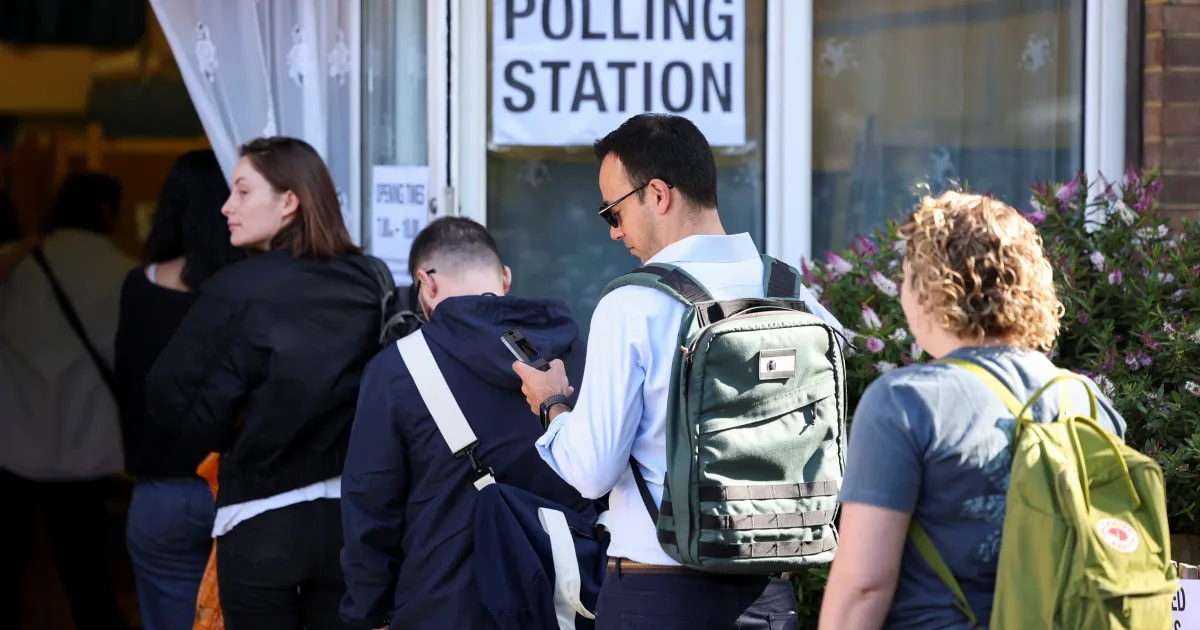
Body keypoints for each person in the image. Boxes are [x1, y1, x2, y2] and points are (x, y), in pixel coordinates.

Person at [512, 113, 839, 629]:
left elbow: (591, 471)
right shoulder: (793, 294)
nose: (615, 232)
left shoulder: (634, 303)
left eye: (612, 212)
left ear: (659, 195)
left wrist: (552, 404)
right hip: (772, 598)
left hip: (658, 593)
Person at [817, 191, 1126, 629]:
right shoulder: (1091, 403)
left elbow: (862, 585)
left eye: (907, 277)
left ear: (932, 290)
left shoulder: (904, 402)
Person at [144, 136, 393, 630]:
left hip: (261, 518)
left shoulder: (235, 290)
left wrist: (228, 430)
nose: (226, 206)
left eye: (241, 192)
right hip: (354, 521)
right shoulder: (371, 279)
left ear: (289, 201)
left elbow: (170, 400)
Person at [339, 216, 598, 629]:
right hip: (563, 604)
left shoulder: (396, 370)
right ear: (505, 277)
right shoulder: (576, 356)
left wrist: (367, 612)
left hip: (442, 607)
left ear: (426, 283)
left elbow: (371, 507)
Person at [114, 150, 245, 630]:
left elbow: (128, 383)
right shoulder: (252, 290)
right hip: (241, 495)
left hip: (162, 495)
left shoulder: (140, 286)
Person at [0, 173, 135, 630]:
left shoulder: (15, 264)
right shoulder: (123, 274)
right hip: (86, 448)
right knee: (86, 578)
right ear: (105, 212)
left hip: (11, 444)